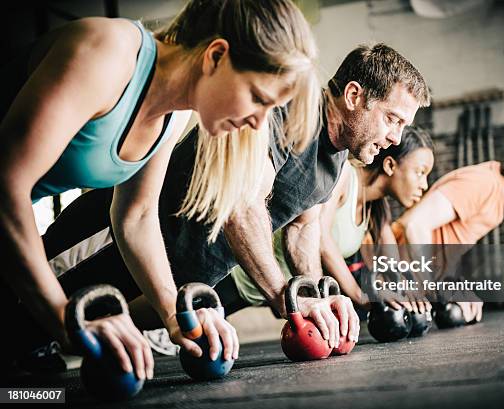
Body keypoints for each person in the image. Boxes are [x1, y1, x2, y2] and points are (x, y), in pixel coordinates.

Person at [41, 43, 431, 353]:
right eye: (392, 119)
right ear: (353, 95)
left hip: (179, 275)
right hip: (119, 234)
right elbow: (242, 207)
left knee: (65, 335)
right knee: (27, 311)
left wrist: (313, 298)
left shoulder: (337, 156)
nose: (396, 138)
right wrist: (287, 298)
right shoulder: (284, 109)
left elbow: (303, 230)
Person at [1, 0, 320, 375]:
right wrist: (65, 317)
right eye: (258, 99)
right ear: (216, 56)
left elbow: (135, 216)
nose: (258, 123)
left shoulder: (174, 112)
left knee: (29, 396)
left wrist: (176, 315)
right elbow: (7, 188)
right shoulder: (107, 54)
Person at [226, 127, 435, 316]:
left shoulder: (376, 209)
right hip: (238, 276)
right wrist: (360, 295)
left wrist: (407, 291)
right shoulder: (344, 175)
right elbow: (322, 240)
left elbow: (392, 265)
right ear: (390, 165)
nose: (424, 185)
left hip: (271, 292)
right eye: (420, 172)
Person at [393, 147, 504, 322]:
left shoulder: (496, 208)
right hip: (381, 274)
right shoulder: (483, 183)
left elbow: (443, 245)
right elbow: (416, 225)